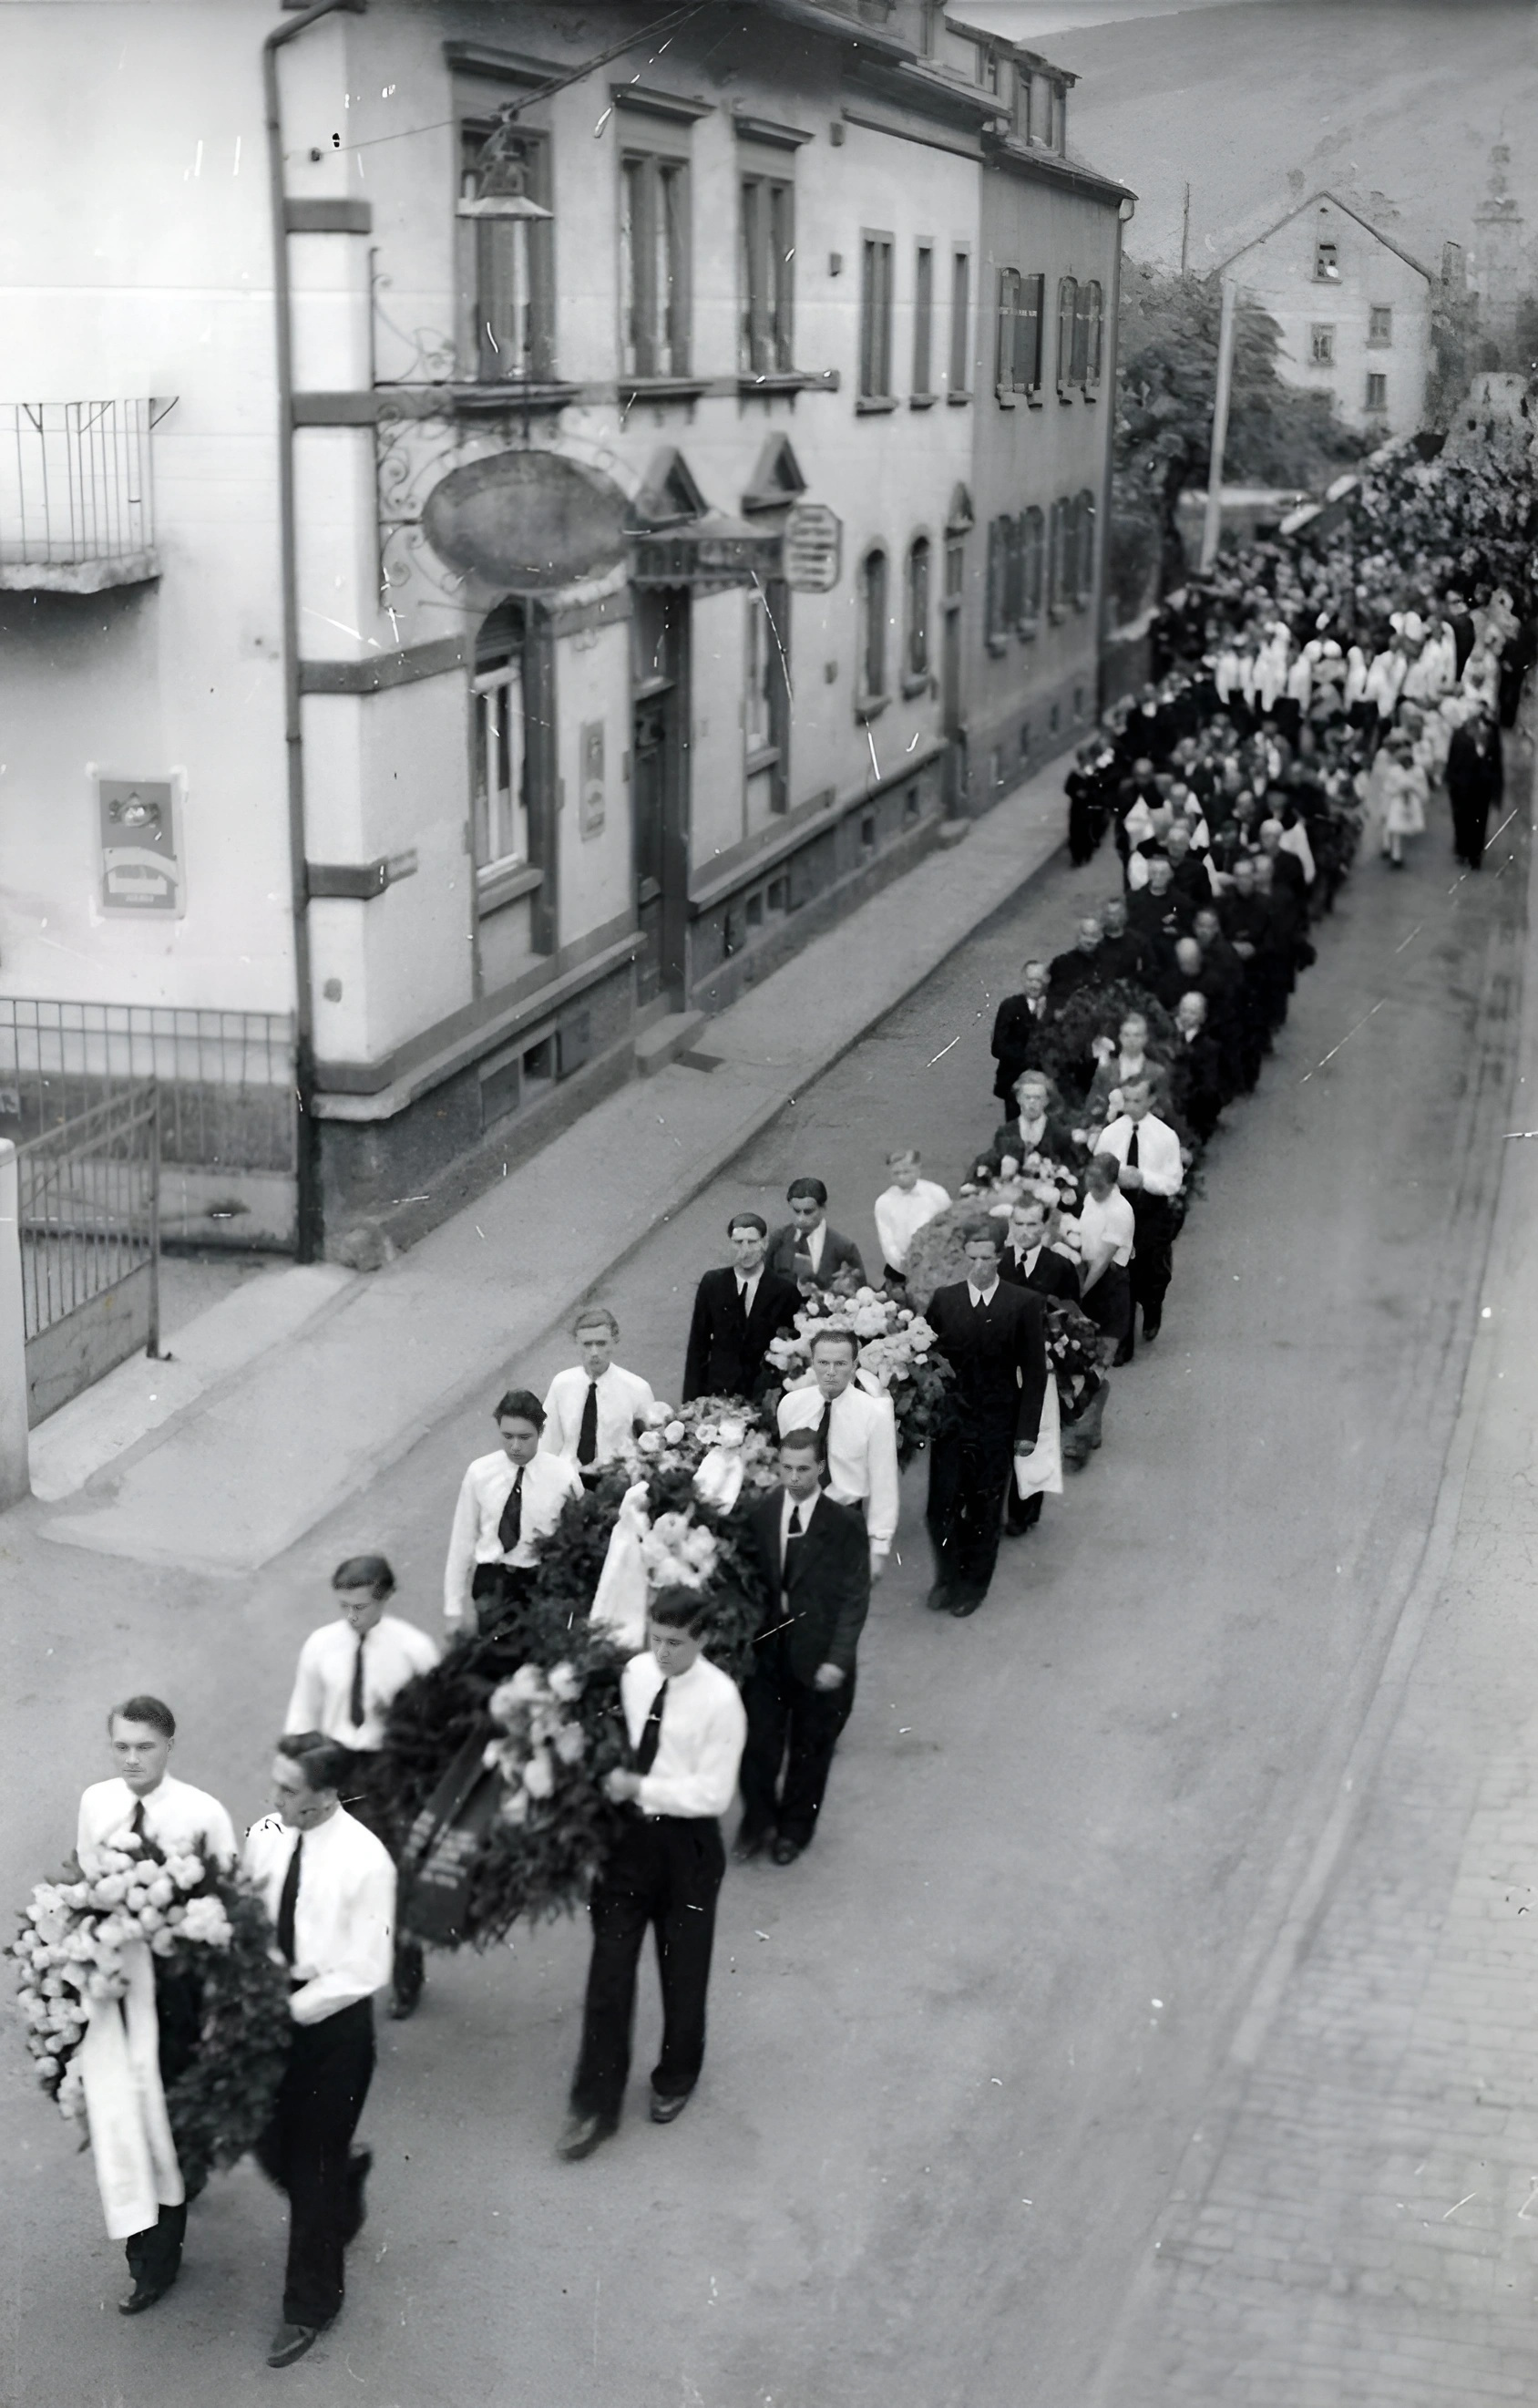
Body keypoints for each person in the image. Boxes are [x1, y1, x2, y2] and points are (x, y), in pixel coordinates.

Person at [558, 1590, 746, 2159]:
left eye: (675, 1643)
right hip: (627, 1843)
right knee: (609, 1972)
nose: (661, 1653)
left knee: (682, 1971)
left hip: (687, 1849)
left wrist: (641, 1787)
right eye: (655, 1638)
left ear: (703, 1639)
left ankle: (676, 2076)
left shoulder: (722, 1701)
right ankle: (595, 2105)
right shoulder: (636, 1674)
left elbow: (714, 1793)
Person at [77, 1696, 238, 2317]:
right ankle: (147, 2259)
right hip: (119, 1981)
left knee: (166, 2111)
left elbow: (229, 1902)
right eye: (121, 1746)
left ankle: (162, 2245)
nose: (131, 1759)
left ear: (170, 1745)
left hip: (178, 1988)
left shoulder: (203, 1813)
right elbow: (86, 1881)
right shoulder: (97, 1803)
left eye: (144, 1747)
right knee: (126, 2105)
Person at [246, 1731, 395, 2369]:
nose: (275, 1797)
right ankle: (344, 2182)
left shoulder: (367, 1861)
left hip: (332, 2025)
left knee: (311, 2168)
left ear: (327, 1793)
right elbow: (250, 1911)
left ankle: (311, 2305)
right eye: (276, 1782)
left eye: (289, 1789)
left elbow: (367, 1967)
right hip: (268, 2007)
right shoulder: (265, 1835)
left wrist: (292, 2011)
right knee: (266, 2142)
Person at [284, 1557, 438, 2021]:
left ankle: (406, 1976)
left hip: (388, 1770)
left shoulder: (414, 1651)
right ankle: (332, 1975)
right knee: (326, 1874)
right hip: (335, 1766)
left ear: (386, 1597)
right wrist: (296, 1775)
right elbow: (303, 1713)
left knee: (392, 1877)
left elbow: (435, 1725)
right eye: (344, 1606)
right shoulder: (321, 1646)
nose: (352, 1617)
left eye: (362, 1606)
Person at [738, 1426, 870, 1863]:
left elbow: (855, 1598)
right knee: (757, 1743)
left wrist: (838, 1660)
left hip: (819, 1654)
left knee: (810, 1750)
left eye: (803, 1469)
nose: (793, 1478)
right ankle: (759, 1821)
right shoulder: (761, 1513)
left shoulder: (845, 1524)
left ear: (821, 1468)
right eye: (787, 1468)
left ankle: (794, 1832)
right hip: (768, 1651)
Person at [923, 1221, 1049, 1617]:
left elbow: (1035, 1371)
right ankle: (947, 1578)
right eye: (972, 1257)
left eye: (986, 1258)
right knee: (940, 1508)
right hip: (951, 1423)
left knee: (984, 1510)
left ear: (1000, 1257)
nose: (979, 1266)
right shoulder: (945, 1300)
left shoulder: (1023, 1303)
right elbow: (925, 1358)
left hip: (996, 1424)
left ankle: (973, 1587)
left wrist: (1026, 1432)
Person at [443, 1391, 583, 1636]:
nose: (515, 1446)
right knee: (494, 1654)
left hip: (542, 1583)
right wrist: (453, 1609)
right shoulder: (479, 1473)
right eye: (507, 1436)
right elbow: (462, 1539)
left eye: (524, 1437)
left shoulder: (563, 1476)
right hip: (494, 1582)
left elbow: (579, 1543)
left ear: (541, 1431)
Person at [775, 1326, 900, 1580]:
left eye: (840, 1364)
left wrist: (878, 1548)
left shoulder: (874, 1412)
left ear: (854, 1366)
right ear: (812, 1363)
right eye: (823, 1363)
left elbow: (884, 1481)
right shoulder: (791, 1405)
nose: (830, 1372)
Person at [998, 1197, 1078, 1534]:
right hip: (1001, 1366)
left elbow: (1074, 1318)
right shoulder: (998, 1265)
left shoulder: (1060, 1267)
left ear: (1044, 1227)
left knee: (1036, 1434)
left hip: (1041, 1368)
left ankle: (1025, 1511)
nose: (1025, 1231)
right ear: (1010, 1225)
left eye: (1032, 1224)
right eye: (1019, 1224)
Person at [1093, 1076, 1185, 1355]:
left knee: (1152, 1272)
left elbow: (1173, 1182)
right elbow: (1098, 1170)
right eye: (1127, 1100)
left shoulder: (1165, 1136)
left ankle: (1153, 1305)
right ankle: (1124, 1342)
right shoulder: (1111, 1134)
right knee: (1124, 1272)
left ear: (1151, 1101)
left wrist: (1143, 1178)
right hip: (1120, 1206)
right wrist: (1114, 1179)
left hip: (1151, 1209)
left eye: (1137, 1100)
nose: (1131, 1106)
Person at [682, 1214, 801, 1403]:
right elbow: (698, 1347)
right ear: (730, 1244)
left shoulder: (784, 1291)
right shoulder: (713, 1284)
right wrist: (690, 1402)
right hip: (719, 1396)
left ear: (764, 1243)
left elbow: (793, 1352)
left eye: (752, 1242)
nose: (745, 1250)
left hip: (764, 1397)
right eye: (738, 1242)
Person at [541, 1307, 655, 1479]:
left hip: (616, 1479)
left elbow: (651, 1448)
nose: (594, 1353)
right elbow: (547, 1443)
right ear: (577, 1343)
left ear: (615, 1341)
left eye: (601, 1344)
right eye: (587, 1344)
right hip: (569, 1477)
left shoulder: (637, 1389)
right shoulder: (562, 1384)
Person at [765, 1178, 867, 1291]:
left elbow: (861, 1290)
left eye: (808, 1212)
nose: (801, 1219)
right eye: (796, 1211)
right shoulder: (777, 1240)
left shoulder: (843, 1246)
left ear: (823, 1207)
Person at [979, 1069, 1079, 1179]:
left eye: (1037, 1098)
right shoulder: (1005, 1132)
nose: (1032, 1102)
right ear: (1019, 1099)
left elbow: (1072, 1171)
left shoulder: (1059, 1134)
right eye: (1027, 1097)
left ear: (1046, 1101)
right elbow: (992, 1167)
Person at [873, 1147, 950, 1286]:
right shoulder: (883, 1202)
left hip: (937, 1267)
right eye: (896, 1173)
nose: (901, 1177)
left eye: (906, 1172)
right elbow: (888, 1243)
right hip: (900, 1272)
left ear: (918, 1169)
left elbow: (949, 1229)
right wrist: (905, 1268)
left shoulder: (937, 1194)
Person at [1447, 705, 1503, 870]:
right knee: (1461, 820)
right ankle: (1462, 851)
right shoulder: (1459, 735)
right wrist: (1451, 782)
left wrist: (1497, 790)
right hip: (1461, 787)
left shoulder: (1491, 735)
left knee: (1479, 821)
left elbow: (1496, 763)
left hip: (1481, 788)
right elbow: (1452, 761)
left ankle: (1475, 855)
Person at [989, 959, 1053, 1104]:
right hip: (1014, 1081)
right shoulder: (1009, 1007)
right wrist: (1027, 1065)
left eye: (1039, 980)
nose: (1034, 985)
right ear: (1023, 980)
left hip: (1047, 1084)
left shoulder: (1053, 1008)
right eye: (1030, 980)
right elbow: (998, 1047)